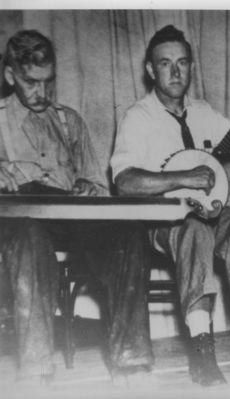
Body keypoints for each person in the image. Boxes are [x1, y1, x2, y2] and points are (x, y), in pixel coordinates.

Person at [110, 25, 230, 387]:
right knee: (193, 230)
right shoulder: (138, 117)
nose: (175, 72)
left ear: (191, 66)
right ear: (151, 70)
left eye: (182, 63)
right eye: (165, 64)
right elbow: (124, 181)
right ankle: (201, 350)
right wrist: (183, 178)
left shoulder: (203, 110)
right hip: (164, 220)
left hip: (210, 212)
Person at [0, 30, 154, 387]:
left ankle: (130, 360)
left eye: (49, 82)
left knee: (128, 234)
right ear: (10, 77)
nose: (42, 93)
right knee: (29, 240)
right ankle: (37, 371)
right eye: (31, 83)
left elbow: (96, 185)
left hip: (68, 213)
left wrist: (89, 186)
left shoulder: (69, 121)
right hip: (19, 220)